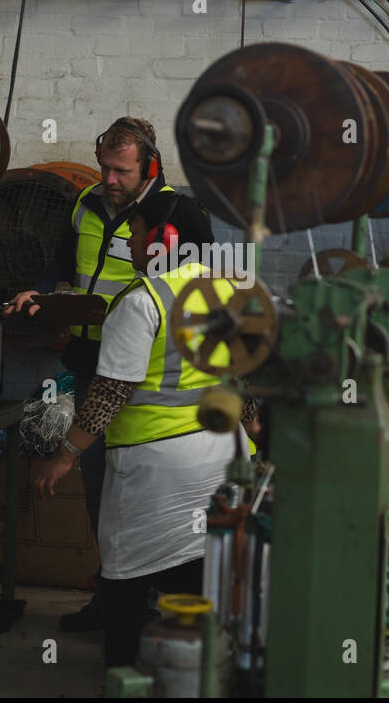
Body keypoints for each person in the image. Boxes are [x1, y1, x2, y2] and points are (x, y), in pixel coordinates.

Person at [29, 191, 260, 668]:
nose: (128, 243)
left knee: (127, 576)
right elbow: (246, 378)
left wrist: (66, 454)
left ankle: (122, 675)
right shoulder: (231, 290)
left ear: (164, 238)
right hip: (226, 455)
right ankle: (206, 672)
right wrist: (256, 433)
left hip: (157, 464)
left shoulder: (144, 301)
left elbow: (110, 391)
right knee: (204, 568)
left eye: (134, 233)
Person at [5, 117, 175, 631]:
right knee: (101, 490)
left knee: (143, 494)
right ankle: (113, 599)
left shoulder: (175, 216)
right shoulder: (86, 205)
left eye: (121, 171)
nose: (108, 179)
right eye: (104, 167)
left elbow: (190, 293)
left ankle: (150, 604)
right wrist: (40, 290)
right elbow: (60, 263)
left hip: (144, 375)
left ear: (149, 167)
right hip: (90, 363)